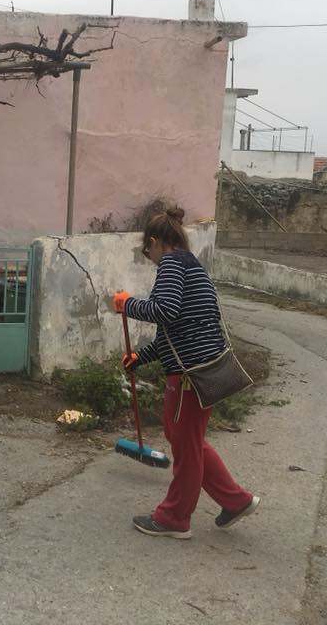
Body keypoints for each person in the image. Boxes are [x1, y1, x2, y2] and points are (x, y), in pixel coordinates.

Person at [113, 207, 259, 539]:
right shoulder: (193, 267)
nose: (150, 259)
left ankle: (174, 518)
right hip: (204, 369)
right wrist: (141, 357)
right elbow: (179, 330)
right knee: (186, 440)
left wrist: (127, 303)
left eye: (147, 252)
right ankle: (235, 500)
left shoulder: (171, 264)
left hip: (190, 376)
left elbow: (164, 311)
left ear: (154, 242)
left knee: (185, 445)